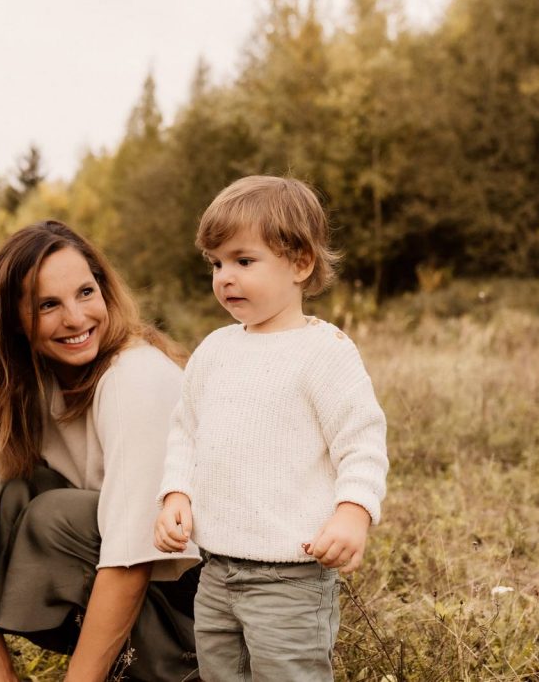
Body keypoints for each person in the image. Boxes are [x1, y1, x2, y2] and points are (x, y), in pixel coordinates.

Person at [153, 176, 389, 681]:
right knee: (220, 674)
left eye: (243, 260)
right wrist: (176, 493)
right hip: (217, 570)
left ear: (300, 263)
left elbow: (362, 441)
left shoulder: (324, 353)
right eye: (216, 263)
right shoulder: (214, 351)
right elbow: (185, 432)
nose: (225, 277)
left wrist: (352, 512)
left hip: (291, 576)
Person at [0, 221, 201, 682]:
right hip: (126, 571)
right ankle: (119, 660)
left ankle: (174, 669)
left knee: (55, 517)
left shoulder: (135, 378)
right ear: (13, 322)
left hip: (204, 602)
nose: (76, 318)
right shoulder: (17, 384)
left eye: (86, 292)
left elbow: (132, 557)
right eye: (48, 305)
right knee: (6, 493)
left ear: (104, 290)